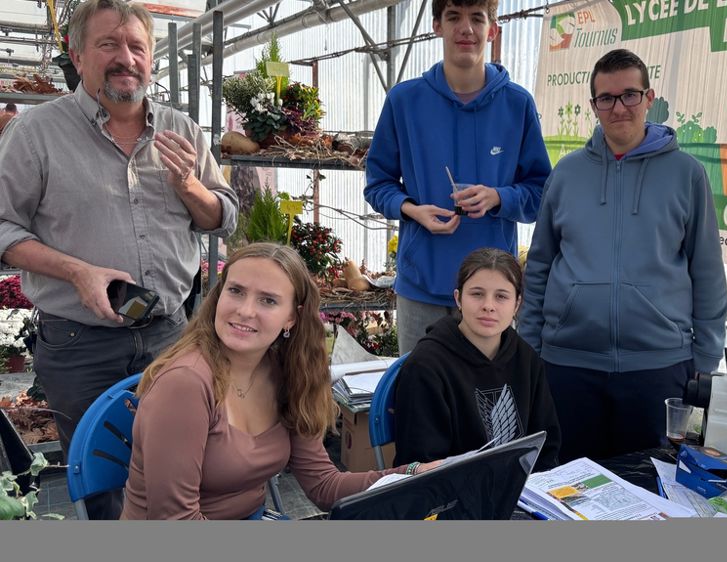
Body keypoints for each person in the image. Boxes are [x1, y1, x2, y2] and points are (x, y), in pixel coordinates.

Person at [0, 0, 238, 518]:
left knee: (184, 472)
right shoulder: (36, 134)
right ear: (78, 54)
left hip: (172, 335)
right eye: (108, 44)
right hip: (78, 345)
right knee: (104, 484)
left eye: (136, 46)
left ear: (151, 58)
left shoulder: (182, 131)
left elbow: (225, 216)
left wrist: (192, 187)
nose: (124, 57)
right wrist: (76, 271)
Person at [121, 243, 439, 520]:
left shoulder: (287, 373)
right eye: (236, 291)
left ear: (292, 317)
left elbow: (324, 485)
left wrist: (411, 474)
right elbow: (175, 522)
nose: (245, 310)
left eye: (268, 300)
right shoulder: (185, 384)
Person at [518, 49, 727, 463]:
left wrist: (704, 358)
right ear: (593, 105)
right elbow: (540, 264)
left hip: (658, 367)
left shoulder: (686, 175)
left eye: (629, 95)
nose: (618, 108)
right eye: (606, 98)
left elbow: (706, 269)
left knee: (649, 490)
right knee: (565, 490)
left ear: (649, 98)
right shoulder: (566, 174)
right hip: (568, 364)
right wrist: (531, 348)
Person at [364, 0, 551, 354]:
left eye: (477, 18)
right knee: (421, 398)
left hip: (491, 293)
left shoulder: (517, 104)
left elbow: (542, 193)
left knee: (486, 398)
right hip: (423, 288)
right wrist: (411, 209)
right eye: (454, 17)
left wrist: (499, 197)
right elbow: (378, 184)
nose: (465, 28)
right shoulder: (404, 101)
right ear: (437, 26)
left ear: (492, 29)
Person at [393, 247, 561, 471]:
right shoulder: (425, 367)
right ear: (458, 298)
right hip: (449, 494)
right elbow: (420, 462)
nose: (488, 306)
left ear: (517, 304)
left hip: (522, 491)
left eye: (501, 296)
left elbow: (547, 447)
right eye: (477, 294)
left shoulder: (527, 359)